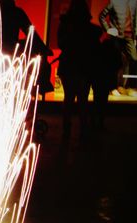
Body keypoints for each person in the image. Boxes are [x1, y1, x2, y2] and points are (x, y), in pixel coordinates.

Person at [0, 0, 54, 96]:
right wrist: (43, 49)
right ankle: (39, 86)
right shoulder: (16, 12)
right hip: (11, 54)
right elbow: (31, 33)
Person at [57, 0, 102, 140]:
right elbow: (95, 50)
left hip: (69, 66)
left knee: (69, 98)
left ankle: (67, 129)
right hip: (85, 67)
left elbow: (62, 45)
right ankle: (83, 129)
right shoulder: (93, 31)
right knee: (83, 99)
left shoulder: (65, 26)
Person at [99, 0, 137, 97]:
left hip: (129, 37)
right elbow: (101, 16)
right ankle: (113, 87)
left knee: (132, 59)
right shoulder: (114, 2)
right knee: (117, 61)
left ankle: (123, 86)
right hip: (117, 36)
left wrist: (135, 36)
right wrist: (109, 30)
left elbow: (135, 19)